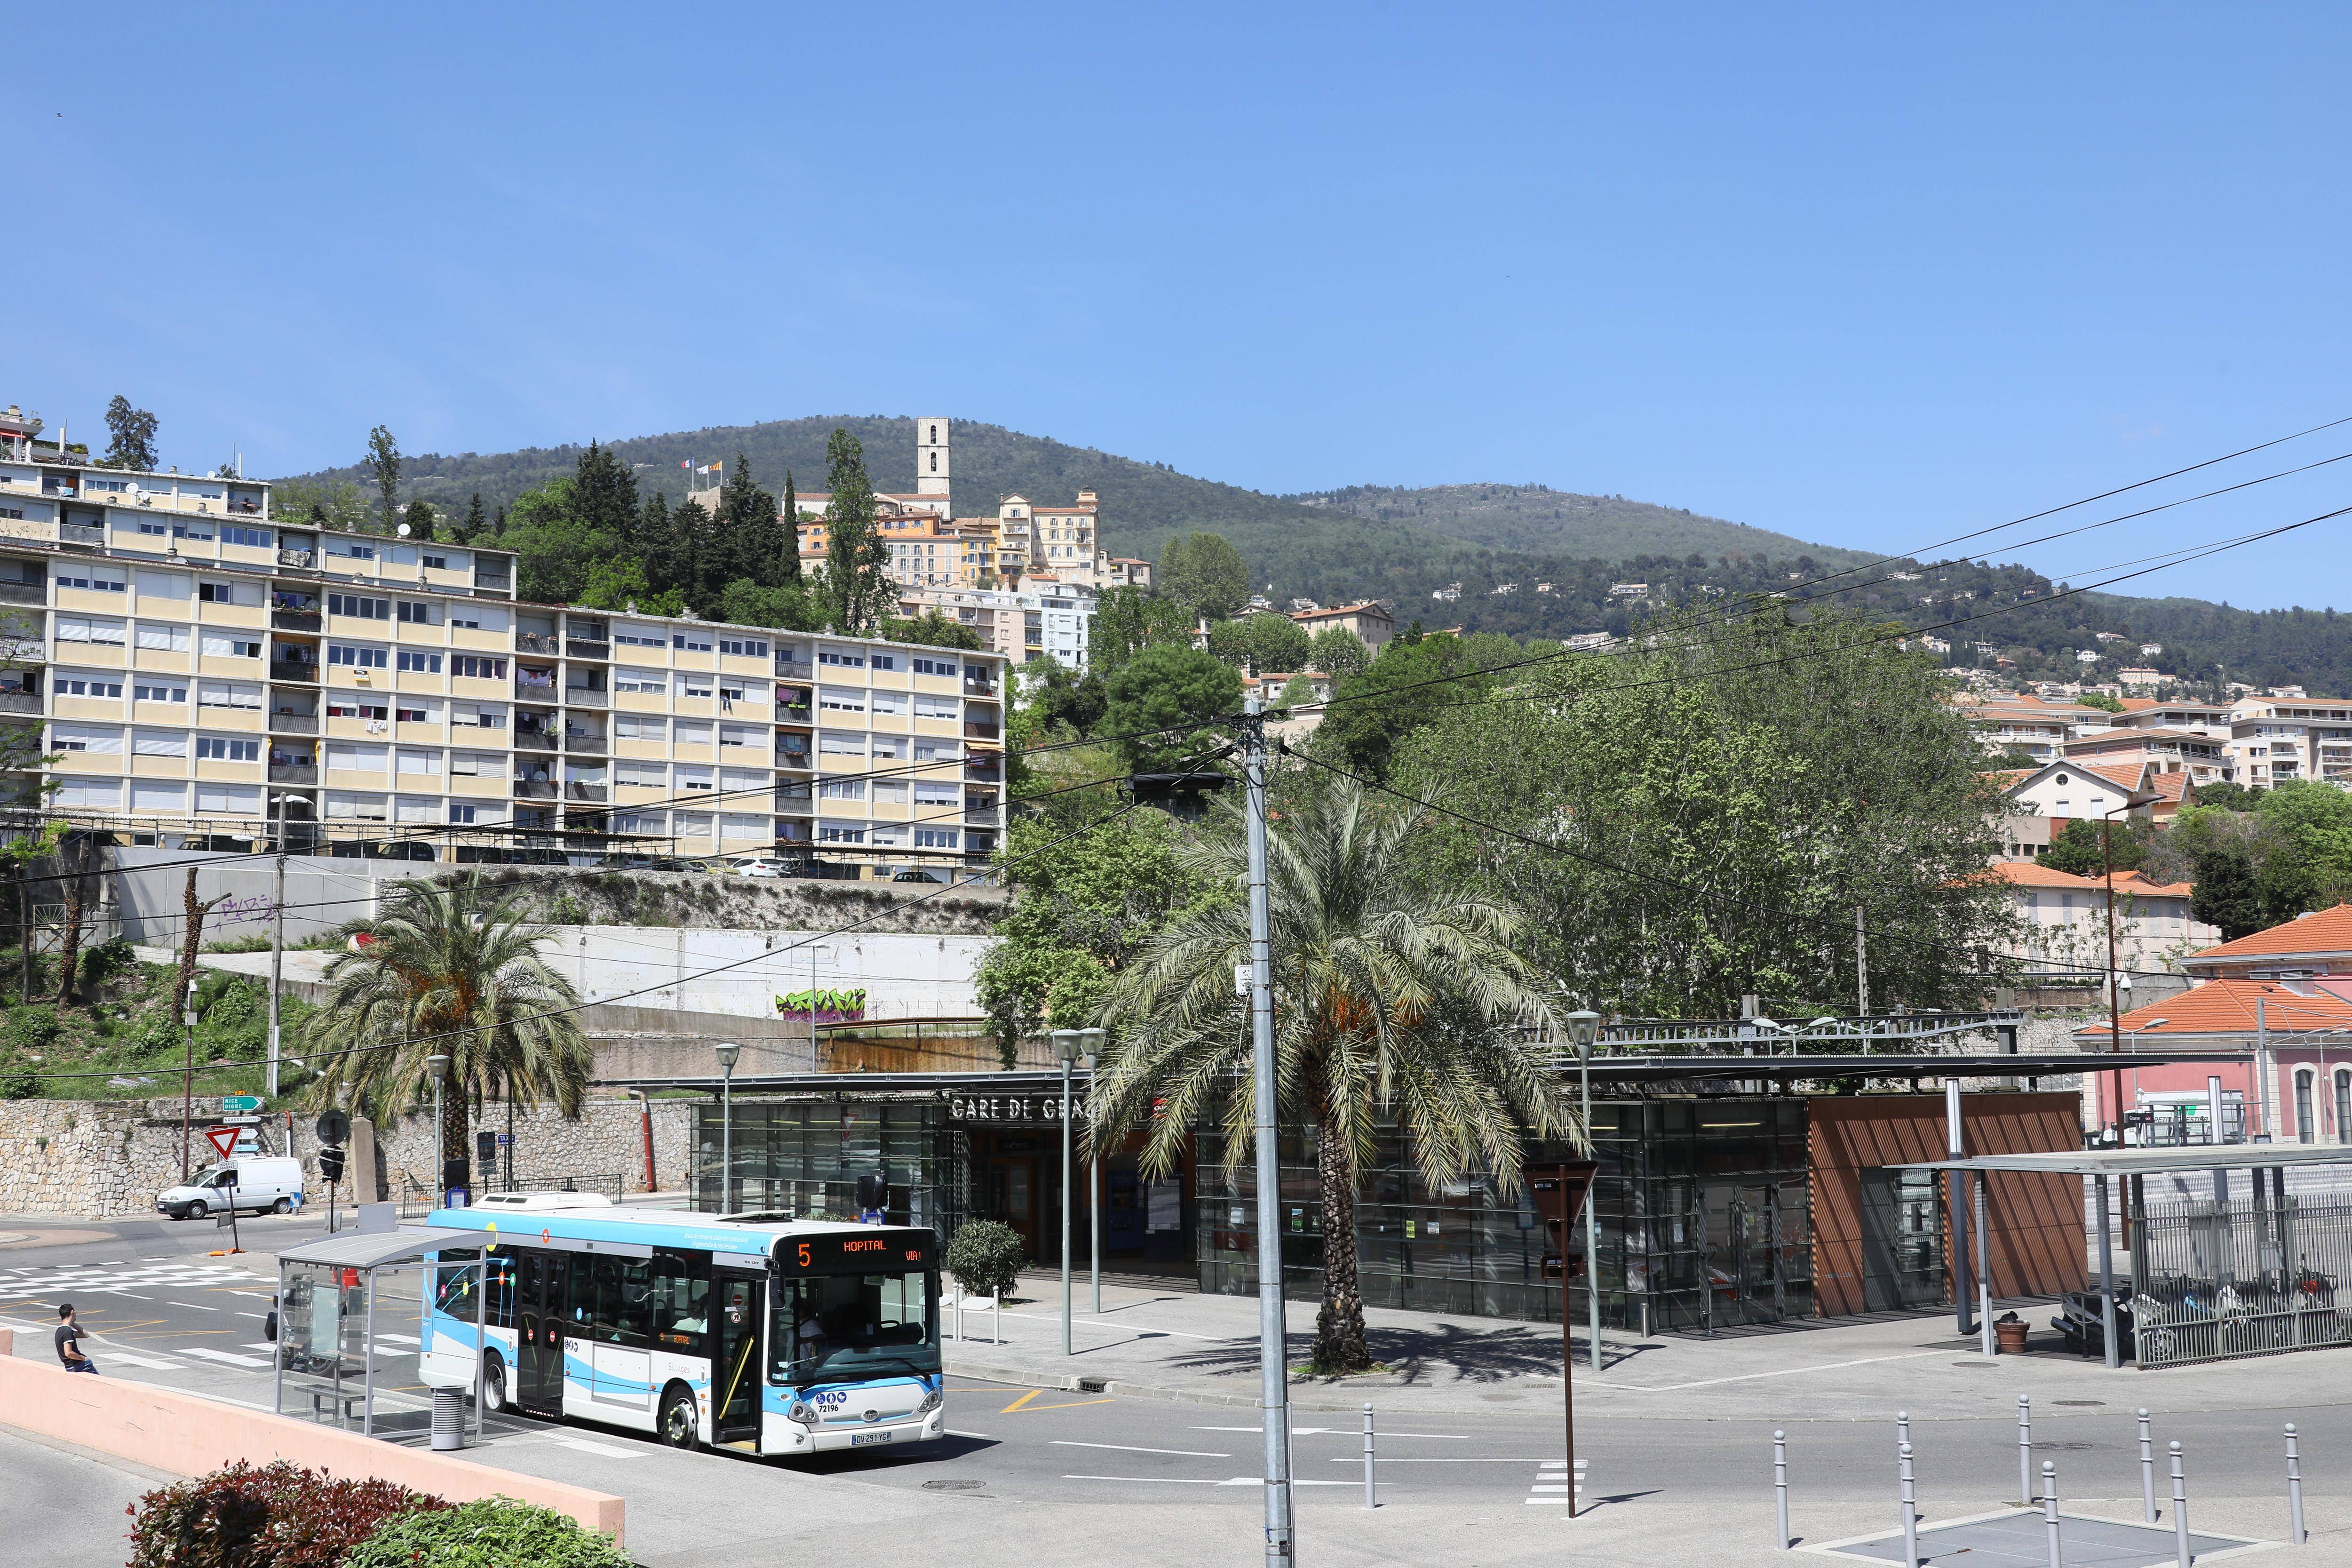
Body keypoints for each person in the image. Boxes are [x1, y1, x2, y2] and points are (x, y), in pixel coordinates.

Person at [56, 1303, 97, 1375]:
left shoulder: (61, 1331)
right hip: (77, 1365)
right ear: (72, 1312)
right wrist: (83, 1358)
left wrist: (72, 1323)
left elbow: (86, 1335)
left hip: (69, 1366)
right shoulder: (67, 1332)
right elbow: (68, 1353)